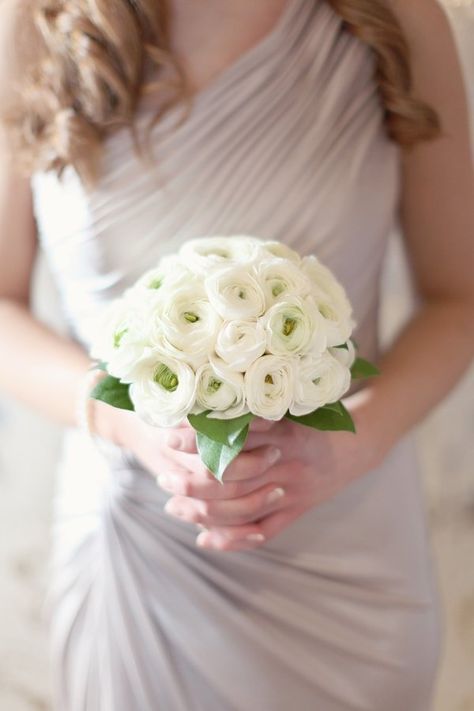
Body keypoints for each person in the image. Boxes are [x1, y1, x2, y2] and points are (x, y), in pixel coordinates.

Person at [0, 0, 473, 709]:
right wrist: (128, 423)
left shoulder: (398, 15)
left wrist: (353, 441)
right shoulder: (34, 18)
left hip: (345, 549)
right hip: (138, 550)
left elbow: (458, 298)